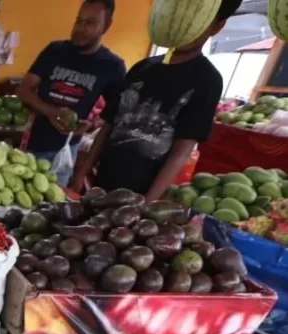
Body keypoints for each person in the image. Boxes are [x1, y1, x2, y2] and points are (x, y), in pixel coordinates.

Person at [71, 0, 243, 200]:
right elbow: (109, 125)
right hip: (101, 185)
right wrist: (82, 173)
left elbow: (181, 152)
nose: (184, 25)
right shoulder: (142, 68)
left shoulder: (208, 80)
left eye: (198, 21)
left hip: (140, 196)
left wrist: (148, 203)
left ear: (217, 27)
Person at [18, 0, 126, 186]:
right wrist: (53, 112)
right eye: (79, 20)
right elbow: (23, 91)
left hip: (65, 153)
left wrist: (92, 124)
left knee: (54, 201)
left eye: (90, 22)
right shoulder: (54, 51)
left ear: (106, 25)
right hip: (30, 146)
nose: (81, 28)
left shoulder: (112, 66)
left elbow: (115, 116)